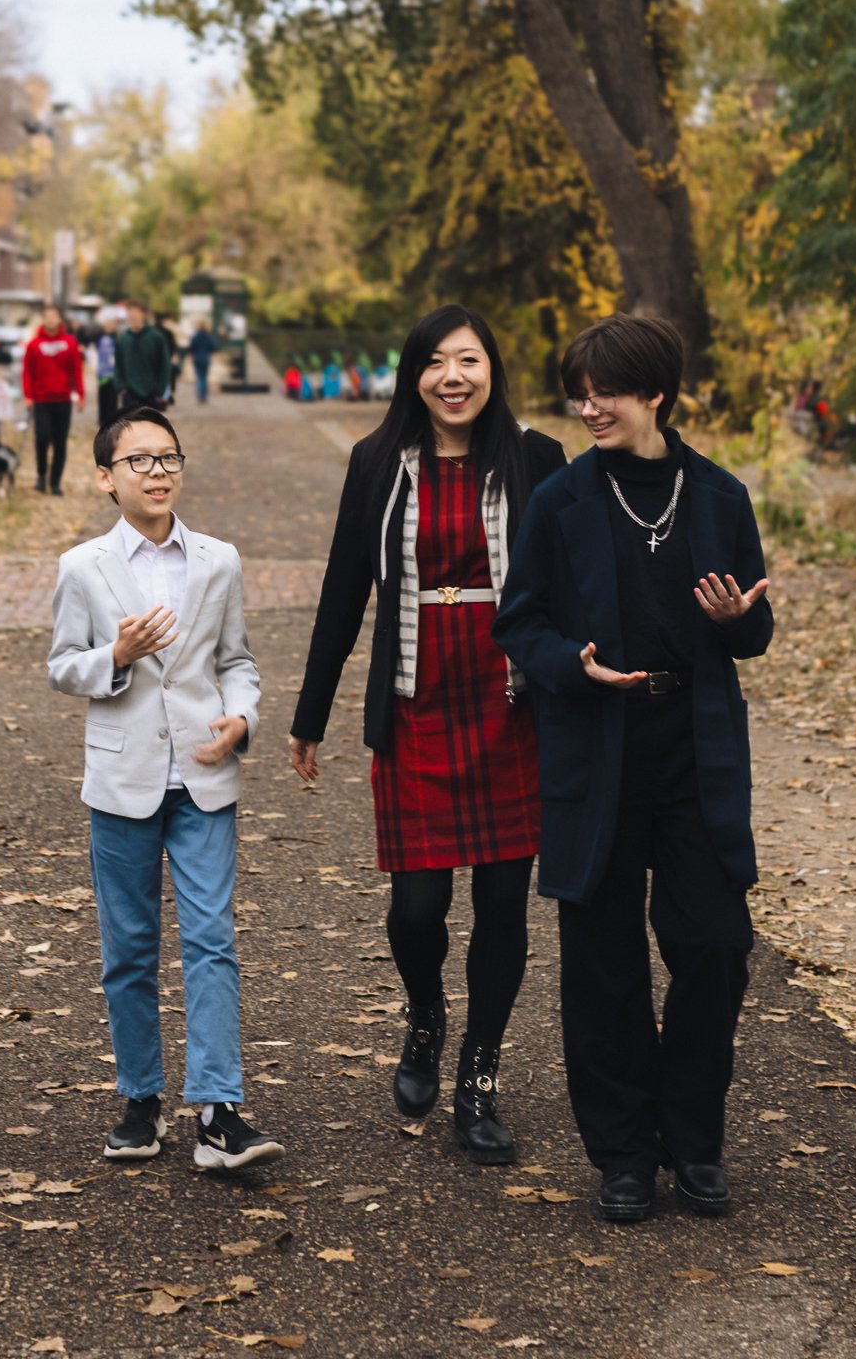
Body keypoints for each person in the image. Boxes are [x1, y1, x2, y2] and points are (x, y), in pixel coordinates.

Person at [495, 313, 771, 1225]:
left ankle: (692, 1141)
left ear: (655, 393)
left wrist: (736, 623)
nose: (589, 405)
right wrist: (567, 662)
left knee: (716, 945)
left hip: (693, 746)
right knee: (602, 958)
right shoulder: (562, 501)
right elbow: (519, 623)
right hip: (596, 744)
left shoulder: (720, 496)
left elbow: (756, 630)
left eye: (605, 389)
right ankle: (621, 1153)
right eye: (580, 390)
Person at [287, 306, 568, 1162]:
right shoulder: (379, 463)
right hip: (414, 698)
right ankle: (426, 1016)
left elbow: (571, 582)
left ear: (492, 370)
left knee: (502, 904)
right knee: (417, 906)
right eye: (437, 362)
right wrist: (311, 714)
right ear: (415, 375)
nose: (454, 377)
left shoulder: (536, 458)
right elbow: (344, 589)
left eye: (470, 361)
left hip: (509, 699)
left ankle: (479, 1075)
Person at [48, 405, 282, 1173]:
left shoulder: (217, 559)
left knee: (212, 939)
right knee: (130, 947)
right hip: (121, 780)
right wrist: (113, 654)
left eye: (168, 458)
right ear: (105, 478)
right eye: (139, 461)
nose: (157, 472)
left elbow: (238, 661)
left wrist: (240, 719)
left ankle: (219, 1109)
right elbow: (62, 667)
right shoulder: (84, 567)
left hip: (205, 776)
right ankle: (140, 1100)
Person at [22, 303, 85, 495]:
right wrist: (28, 395)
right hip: (41, 399)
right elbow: (27, 372)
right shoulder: (34, 344)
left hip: (63, 399)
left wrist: (80, 394)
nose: (50, 319)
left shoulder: (70, 342)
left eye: (54, 316)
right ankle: (41, 476)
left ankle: (55, 481)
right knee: (42, 437)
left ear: (59, 319)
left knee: (60, 442)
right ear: (43, 319)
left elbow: (76, 370)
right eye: (47, 316)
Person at [114, 300, 173, 412]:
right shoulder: (123, 339)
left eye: (136, 312)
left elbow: (165, 365)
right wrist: (121, 388)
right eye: (130, 312)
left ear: (144, 315)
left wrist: (161, 391)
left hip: (152, 393)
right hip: (130, 393)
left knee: (151, 427)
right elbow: (118, 366)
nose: (132, 316)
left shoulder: (156, 337)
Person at [187, 319, 217, 405]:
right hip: (205, 358)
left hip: (196, 358)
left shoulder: (195, 335)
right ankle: (203, 396)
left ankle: (200, 395)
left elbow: (191, 346)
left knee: (199, 377)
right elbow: (213, 347)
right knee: (204, 377)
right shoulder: (208, 336)